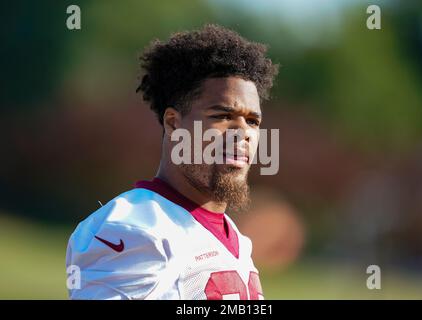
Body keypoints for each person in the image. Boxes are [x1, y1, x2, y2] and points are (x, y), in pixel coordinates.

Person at [66, 24, 278, 300]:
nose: (243, 133)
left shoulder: (234, 236)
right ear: (173, 123)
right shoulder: (134, 228)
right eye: (222, 116)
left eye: (252, 121)